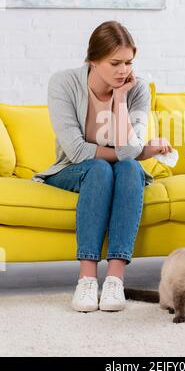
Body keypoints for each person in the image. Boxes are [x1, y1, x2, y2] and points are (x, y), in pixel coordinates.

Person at [31, 20, 172, 313]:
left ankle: (115, 281)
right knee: (99, 168)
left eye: (129, 62)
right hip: (72, 168)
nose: (124, 70)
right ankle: (86, 280)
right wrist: (139, 151)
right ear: (93, 60)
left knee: (131, 169)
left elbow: (129, 153)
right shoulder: (63, 83)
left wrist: (120, 100)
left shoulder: (137, 89)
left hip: (116, 168)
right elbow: (78, 150)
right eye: (115, 63)